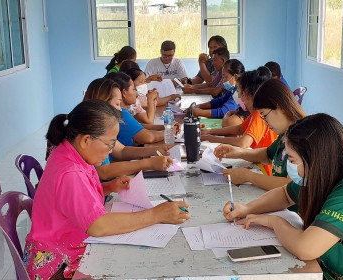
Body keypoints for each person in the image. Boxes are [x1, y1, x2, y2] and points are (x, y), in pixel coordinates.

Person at [23, 100, 190, 279]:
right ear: (86, 140)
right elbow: (98, 225)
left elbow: (73, 198)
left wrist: (108, 187)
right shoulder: (70, 172)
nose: (111, 150)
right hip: (56, 266)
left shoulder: (71, 152)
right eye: (109, 144)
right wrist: (157, 214)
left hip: (62, 247)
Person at [223, 113, 343, 279]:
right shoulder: (316, 178)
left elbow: (306, 248)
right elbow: (285, 195)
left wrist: (275, 222)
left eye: (293, 161)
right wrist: (246, 208)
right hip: (325, 269)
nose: (289, 167)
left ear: (315, 159)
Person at [214, 79, 306, 190]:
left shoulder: (303, 137)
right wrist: (238, 152)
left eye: (264, 115)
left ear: (280, 107)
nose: (265, 123)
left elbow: (289, 187)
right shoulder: (286, 132)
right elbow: (267, 155)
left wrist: (247, 176)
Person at [201, 67, 277, 175]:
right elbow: (239, 129)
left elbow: (243, 143)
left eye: (239, 91)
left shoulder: (258, 114)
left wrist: (211, 138)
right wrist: (210, 131)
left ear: (246, 93)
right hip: (259, 163)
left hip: (264, 169)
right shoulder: (254, 113)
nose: (238, 96)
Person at [84, 77, 165, 146]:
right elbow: (148, 135)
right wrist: (168, 131)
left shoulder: (98, 122)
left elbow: (139, 126)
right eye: (133, 89)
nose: (135, 92)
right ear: (124, 92)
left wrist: (166, 127)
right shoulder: (121, 114)